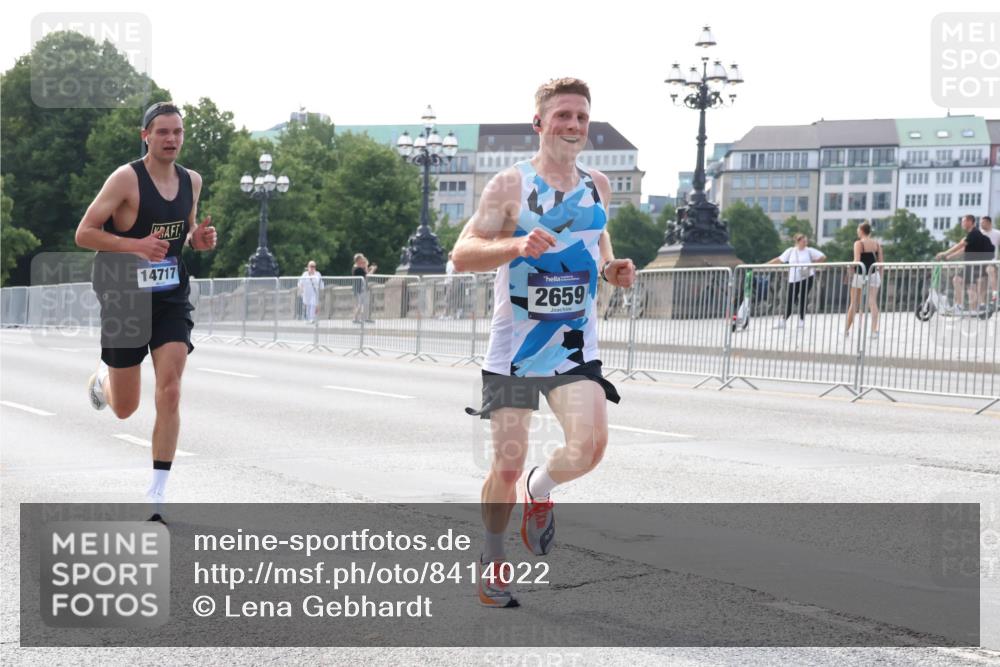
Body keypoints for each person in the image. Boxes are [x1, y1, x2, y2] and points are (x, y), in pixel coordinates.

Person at [452, 77, 636, 608]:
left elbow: (597, 242)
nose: (573, 125)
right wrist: (515, 244)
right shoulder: (509, 186)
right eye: (562, 116)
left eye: (581, 116)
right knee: (504, 465)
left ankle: (541, 489)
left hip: (573, 344)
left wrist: (612, 269)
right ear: (540, 124)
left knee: (592, 445)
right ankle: (492, 556)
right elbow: (463, 253)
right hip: (514, 349)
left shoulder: (597, 184)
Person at [75, 102, 217, 523]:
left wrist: (198, 239)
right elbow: (84, 233)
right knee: (125, 408)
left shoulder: (192, 180)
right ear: (146, 136)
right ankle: (103, 379)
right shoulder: (126, 179)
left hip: (170, 293)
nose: (171, 139)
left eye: (178, 132)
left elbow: (185, 232)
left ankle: (157, 496)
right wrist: (136, 245)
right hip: (122, 293)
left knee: (170, 389)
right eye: (163, 132)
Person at [936, 214, 996, 311]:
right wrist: (949, 257)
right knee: (966, 285)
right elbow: (964, 249)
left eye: (963, 221)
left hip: (975, 266)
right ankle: (970, 309)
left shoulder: (974, 233)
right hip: (971, 265)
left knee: (961, 282)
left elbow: (961, 245)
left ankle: (962, 306)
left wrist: (944, 253)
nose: (962, 223)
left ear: (969, 222)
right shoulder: (973, 234)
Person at [767, 233, 826, 329]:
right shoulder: (791, 251)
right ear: (798, 241)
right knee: (790, 299)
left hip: (807, 277)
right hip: (793, 279)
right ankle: (783, 321)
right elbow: (780, 259)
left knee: (803, 298)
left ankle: (801, 320)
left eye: (806, 241)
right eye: (803, 241)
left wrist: (813, 264)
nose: (805, 243)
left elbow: (823, 256)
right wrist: (767, 264)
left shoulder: (809, 251)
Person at [843, 221, 884, 339]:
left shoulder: (858, 243)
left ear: (861, 231)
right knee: (873, 302)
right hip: (874, 274)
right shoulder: (876, 244)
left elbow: (857, 260)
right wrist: (880, 276)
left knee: (854, 303)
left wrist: (849, 269)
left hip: (861, 275)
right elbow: (881, 263)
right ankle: (874, 331)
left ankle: (846, 330)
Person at [978, 215, 999, 302]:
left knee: (990, 270)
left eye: (982, 223)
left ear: (989, 223)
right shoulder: (979, 233)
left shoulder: (997, 233)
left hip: (991, 260)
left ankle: (995, 295)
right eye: (980, 223)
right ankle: (982, 303)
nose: (981, 225)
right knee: (981, 282)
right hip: (979, 262)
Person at [351, 253, 377, 323]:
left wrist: (366, 266)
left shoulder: (358, 268)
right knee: (360, 304)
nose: (363, 259)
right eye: (362, 258)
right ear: (358, 260)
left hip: (361, 288)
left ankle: (364, 318)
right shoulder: (357, 268)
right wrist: (373, 269)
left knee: (364, 303)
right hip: (360, 289)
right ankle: (356, 318)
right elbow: (367, 275)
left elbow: (365, 273)